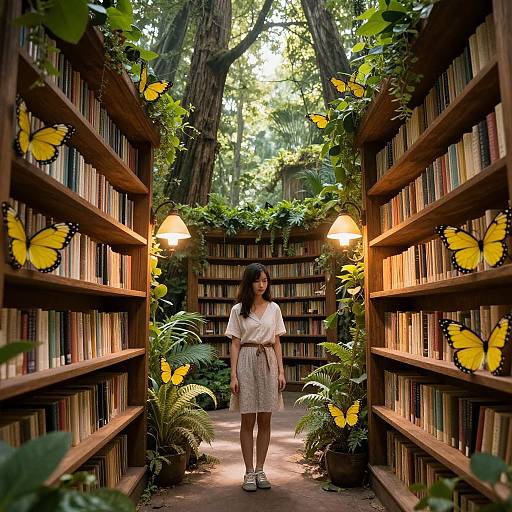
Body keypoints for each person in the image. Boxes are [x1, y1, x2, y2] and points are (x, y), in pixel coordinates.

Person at [225, 262, 287, 492]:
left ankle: (261, 469)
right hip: (247, 360)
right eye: (257, 280)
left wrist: (281, 370)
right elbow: (234, 342)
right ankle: (248, 471)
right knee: (247, 419)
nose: (262, 285)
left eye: (265, 280)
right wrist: (233, 375)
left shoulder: (274, 308)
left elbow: (278, 340)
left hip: (269, 359)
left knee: (265, 419)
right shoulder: (238, 310)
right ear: (248, 282)